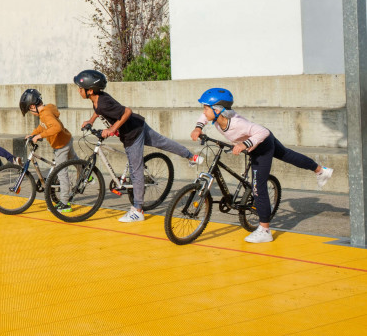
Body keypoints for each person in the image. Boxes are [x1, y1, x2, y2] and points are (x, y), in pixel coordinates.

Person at [191, 87, 333, 244]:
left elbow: (263, 132)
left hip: (262, 146)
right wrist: (198, 127)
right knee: (288, 155)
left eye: (206, 108)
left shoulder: (237, 123)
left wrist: (245, 144)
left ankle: (265, 230)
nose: (203, 112)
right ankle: (321, 170)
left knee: (258, 186)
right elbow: (204, 117)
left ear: (218, 110)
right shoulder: (216, 117)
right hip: (257, 142)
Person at [75, 69, 203, 223]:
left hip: (133, 133)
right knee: (163, 142)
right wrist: (90, 120)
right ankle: (191, 156)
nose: (78, 90)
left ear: (90, 90)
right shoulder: (98, 99)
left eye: (80, 88)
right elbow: (98, 110)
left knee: (136, 172)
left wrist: (112, 129)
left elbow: (127, 111)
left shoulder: (103, 102)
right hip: (139, 125)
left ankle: (138, 210)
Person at [20, 88, 79, 213]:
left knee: (62, 173)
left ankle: (64, 203)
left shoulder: (45, 114)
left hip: (61, 145)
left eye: (29, 111)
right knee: (73, 159)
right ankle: (85, 173)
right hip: (66, 139)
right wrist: (33, 134)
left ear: (32, 106)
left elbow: (56, 127)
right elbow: (43, 126)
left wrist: (39, 136)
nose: (31, 113)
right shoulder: (47, 110)